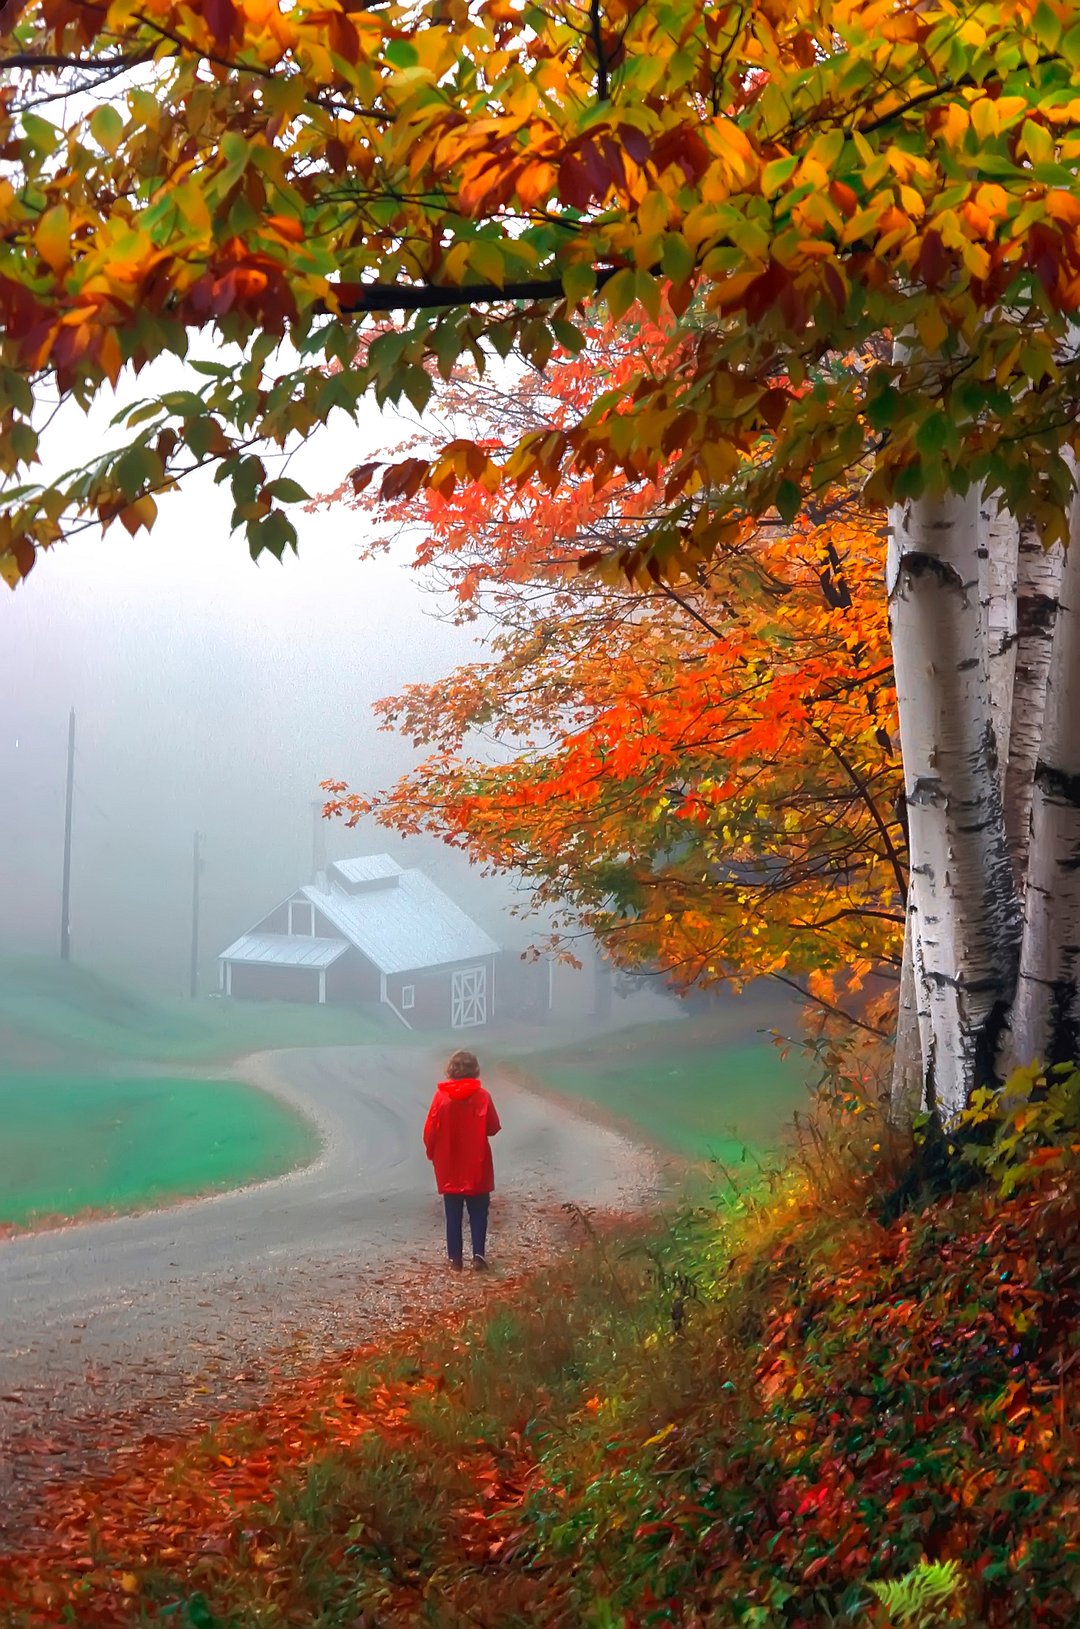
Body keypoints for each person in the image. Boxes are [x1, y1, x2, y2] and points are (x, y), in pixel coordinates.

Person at [423, 1048, 501, 1271]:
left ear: (451, 1070)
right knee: (478, 1211)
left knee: (453, 1213)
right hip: (477, 1162)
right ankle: (478, 1255)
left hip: (449, 1164)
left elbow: (429, 1131)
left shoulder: (441, 1098)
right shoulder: (483, 1097)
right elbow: (493, 1127)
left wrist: (432, 1153)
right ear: (474, 1070)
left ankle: (455, 1259)